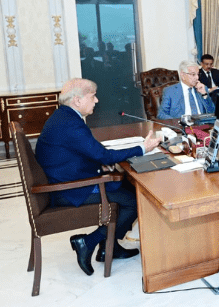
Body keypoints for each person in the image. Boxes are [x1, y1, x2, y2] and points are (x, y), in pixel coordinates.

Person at [36, 78, 160, 276]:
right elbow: (104, 155)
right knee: (134, 200)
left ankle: (108, 248)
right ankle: (88, 242)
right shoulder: (71, 123)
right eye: (93, 96)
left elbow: (82, 153)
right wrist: (143, 148)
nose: (96, 100)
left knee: (128, 188)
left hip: (68, 178)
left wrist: (100, 162)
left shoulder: (64, 117)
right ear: (77, 100)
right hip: (69, 190)